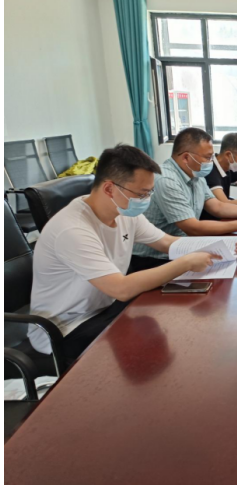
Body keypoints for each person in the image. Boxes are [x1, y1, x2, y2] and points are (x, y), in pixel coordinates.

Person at [29, 144, 220, 359]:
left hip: (107, 308)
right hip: (66, 328)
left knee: (172, 320)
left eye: (150, 192)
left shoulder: (125, 213)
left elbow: (167, 242)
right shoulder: (72, 229)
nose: (146, 199)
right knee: (151, 347)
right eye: (141, 193)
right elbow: (120, 289)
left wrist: (219, 247)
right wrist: (186, 263)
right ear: (109, 189)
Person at [132, 128, 237, 270]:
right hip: (154, 259)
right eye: (208, 157)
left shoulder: (196, 176)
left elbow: (217, 206)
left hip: (182, 248)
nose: (211, 162)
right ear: (186, 157)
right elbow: (192, 228)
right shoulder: (167, 180)